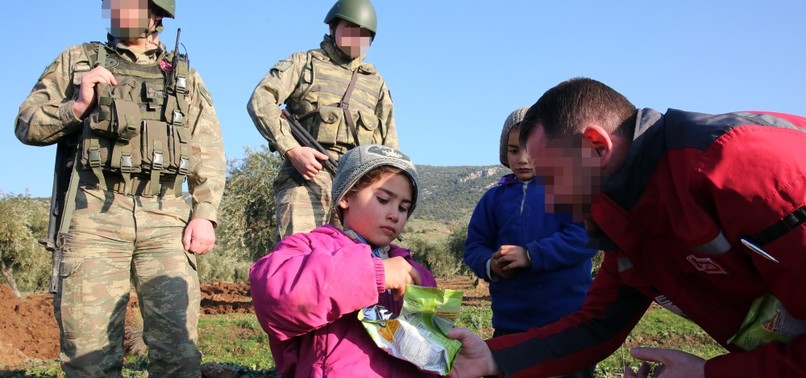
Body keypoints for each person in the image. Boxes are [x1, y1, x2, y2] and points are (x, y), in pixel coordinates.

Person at [448, 77, 806, 378]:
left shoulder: (749, 172)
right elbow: (596, 325)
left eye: (553, 179)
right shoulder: (626, 221)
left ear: (595, 146)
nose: (551, 201)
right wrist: (492, 358)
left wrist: (709, 374)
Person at [14, 0, 226, 376]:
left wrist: (205, 215)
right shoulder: (77, 60)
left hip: (166, 219)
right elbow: (26, 124)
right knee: (89, 358)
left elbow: (207, 152)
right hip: (94, 215)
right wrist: (77, 106)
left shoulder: (183, 75)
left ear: (157, 13)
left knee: (179, 354)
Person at [249, 144, 436, 377]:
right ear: (346, 197)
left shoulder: (409, 269)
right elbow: (274, 295)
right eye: (383, 199)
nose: (394, 214)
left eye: (403, 207)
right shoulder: (310, 248)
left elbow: (429, 346)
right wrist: (374, 273)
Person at [462, 106, 598, 377]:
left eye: (531, 149)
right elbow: (474, 246)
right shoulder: (493, 199)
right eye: (514, 151)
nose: (523, 159)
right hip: (510, 325)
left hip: (567, 323)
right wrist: (491, 264)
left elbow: (585, 237)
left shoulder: (569, 191)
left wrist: (531, 255)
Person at [247, 0, 397, 239]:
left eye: (363, 34)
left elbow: (389, 148)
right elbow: (261, 100)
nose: (356, 37)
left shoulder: (376, 83)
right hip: (305, 180)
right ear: (332, 27)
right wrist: (292, 150)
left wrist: (384, 197)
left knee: (354, 266)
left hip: (355, 190)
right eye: (350, 28)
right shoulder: (304, 63)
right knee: (298, 262)